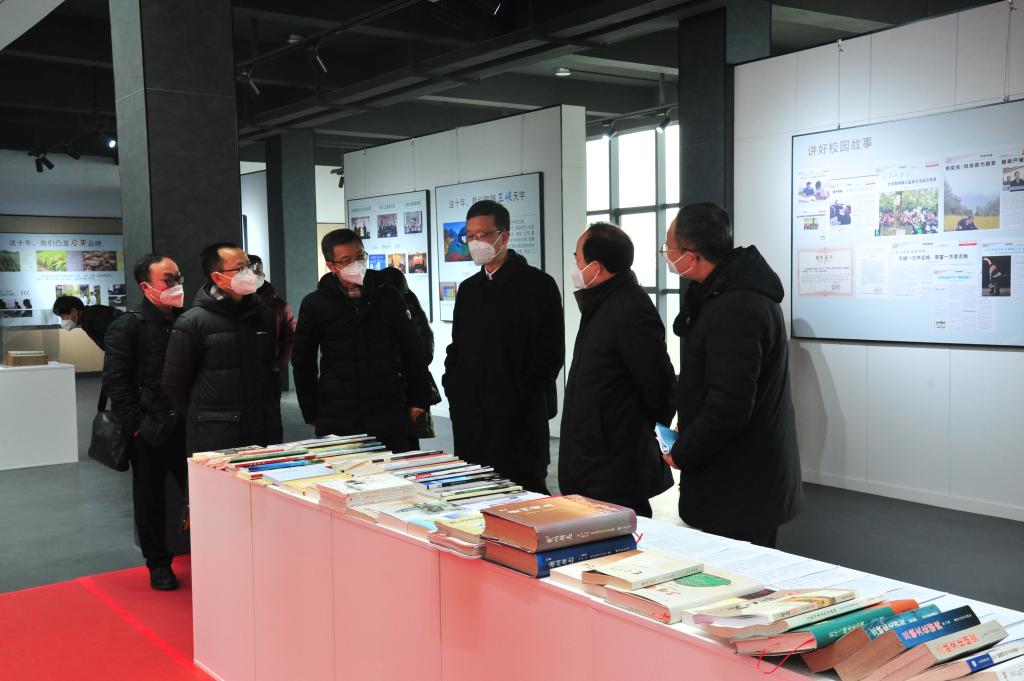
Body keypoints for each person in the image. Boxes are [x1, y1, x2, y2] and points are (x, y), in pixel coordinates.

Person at [661, 203, 803, 548]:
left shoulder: (735, 306)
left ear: (692, 256)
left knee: (741, 575)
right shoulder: (724, 294)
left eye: (669, 248)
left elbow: (729, 405)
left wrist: (684, 451)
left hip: (742, 484)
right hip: (741, 475)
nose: (667, 255)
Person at [443, 200, 564, 494]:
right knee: (473, 496)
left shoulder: (538, 285)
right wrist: (454, 387)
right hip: (472, 420)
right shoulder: (469, 289)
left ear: (504, 236)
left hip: (517, 420)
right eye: (469, 236)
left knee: (526, 498)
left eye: (483, 234)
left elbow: (550, 354)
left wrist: (519, 393)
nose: (475, 242)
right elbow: (457, 347)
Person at [558, 223, 676, 517]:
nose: (575, 266)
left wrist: (630, 431)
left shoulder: (629, 309)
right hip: (595, 457)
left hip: (615, 465)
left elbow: (660, 387)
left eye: (577, 258)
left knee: (624, 533)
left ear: (596, 267)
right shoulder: (603, 302)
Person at [291, 229, 436, 452]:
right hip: (338, 410)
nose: (356, 264)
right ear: (331, 266)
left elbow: (412, 349)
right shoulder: (315, 303)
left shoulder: (388, 296)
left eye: (359, 256)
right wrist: (311, 410)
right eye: (346, 260)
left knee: (397, 467)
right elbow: (303, 361)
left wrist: (419, 398)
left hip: (388, 406)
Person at [102, 254, 187, 590]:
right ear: (146, 286)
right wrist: (138, 425)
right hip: (148, 426)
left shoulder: (188, 319)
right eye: (168, 279)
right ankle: (158, 564)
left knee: (201, 493)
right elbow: (116, 382)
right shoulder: (128, 325)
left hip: (186, 423)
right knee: (150, 498)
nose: (176, 284)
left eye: (178, 277)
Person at [162, 243, 283, 456]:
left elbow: (268, 369)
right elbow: (174, 383)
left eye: (249, 266)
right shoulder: (193, 322)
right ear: (218, 278)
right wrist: (206, 415)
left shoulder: (263, 314)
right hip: (216, 433)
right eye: (240, 269)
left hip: (262, 426)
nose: (249, 273)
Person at [379, 265, 439, 445]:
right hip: (410, 385)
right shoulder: (413, 306)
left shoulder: (397, 308)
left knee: (398, 438)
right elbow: (426, 350)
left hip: (399, 386)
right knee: (408, 440)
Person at [246, 254, 296, 373]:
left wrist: (280, 363)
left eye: (258, 272)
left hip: (269, 369)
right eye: (251, 272)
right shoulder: (232, 302)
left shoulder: (279, 306)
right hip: (239, 370)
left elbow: (290, 337)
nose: (255, 276)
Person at [52, 295, 122, 349]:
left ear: (73, 311)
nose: (63, 321)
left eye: (63, 316)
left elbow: (115, 345)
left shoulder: (92, 318)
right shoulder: (91, 314)